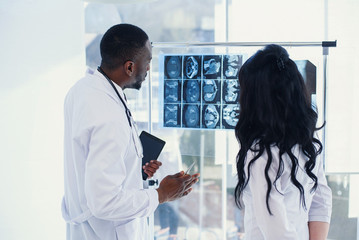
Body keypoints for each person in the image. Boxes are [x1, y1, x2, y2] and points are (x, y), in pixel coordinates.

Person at [61, 23, 199, 240]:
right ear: (129, 67)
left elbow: (91, 160)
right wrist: (161, 195)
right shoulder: (109, 116)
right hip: (104, 232)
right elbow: (104, 202)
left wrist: (135, 170)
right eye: (148, 62)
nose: (148, 70)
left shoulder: (83, 90)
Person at [234, 44, 332, 240]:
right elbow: (321, 201)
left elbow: (275, 230)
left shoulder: (260, 152)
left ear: (257, 98)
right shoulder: (308, 139)